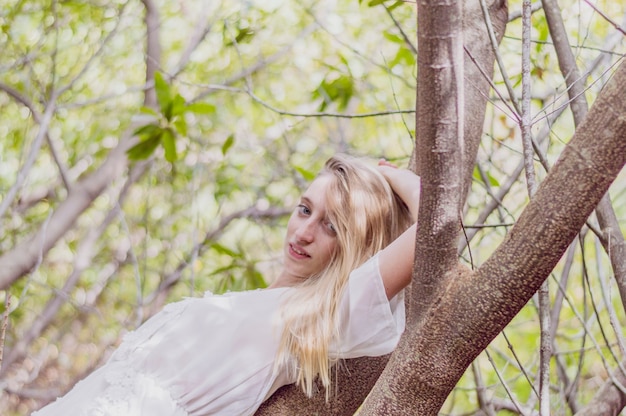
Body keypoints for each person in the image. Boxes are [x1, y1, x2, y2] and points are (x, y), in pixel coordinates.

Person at [32, 154, 421, 416]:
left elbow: (435, 233)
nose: (303, 233)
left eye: (330, 226)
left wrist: (393, 176)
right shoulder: (253, 303)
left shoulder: (319, 315)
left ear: (353, 247)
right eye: (305, 209)